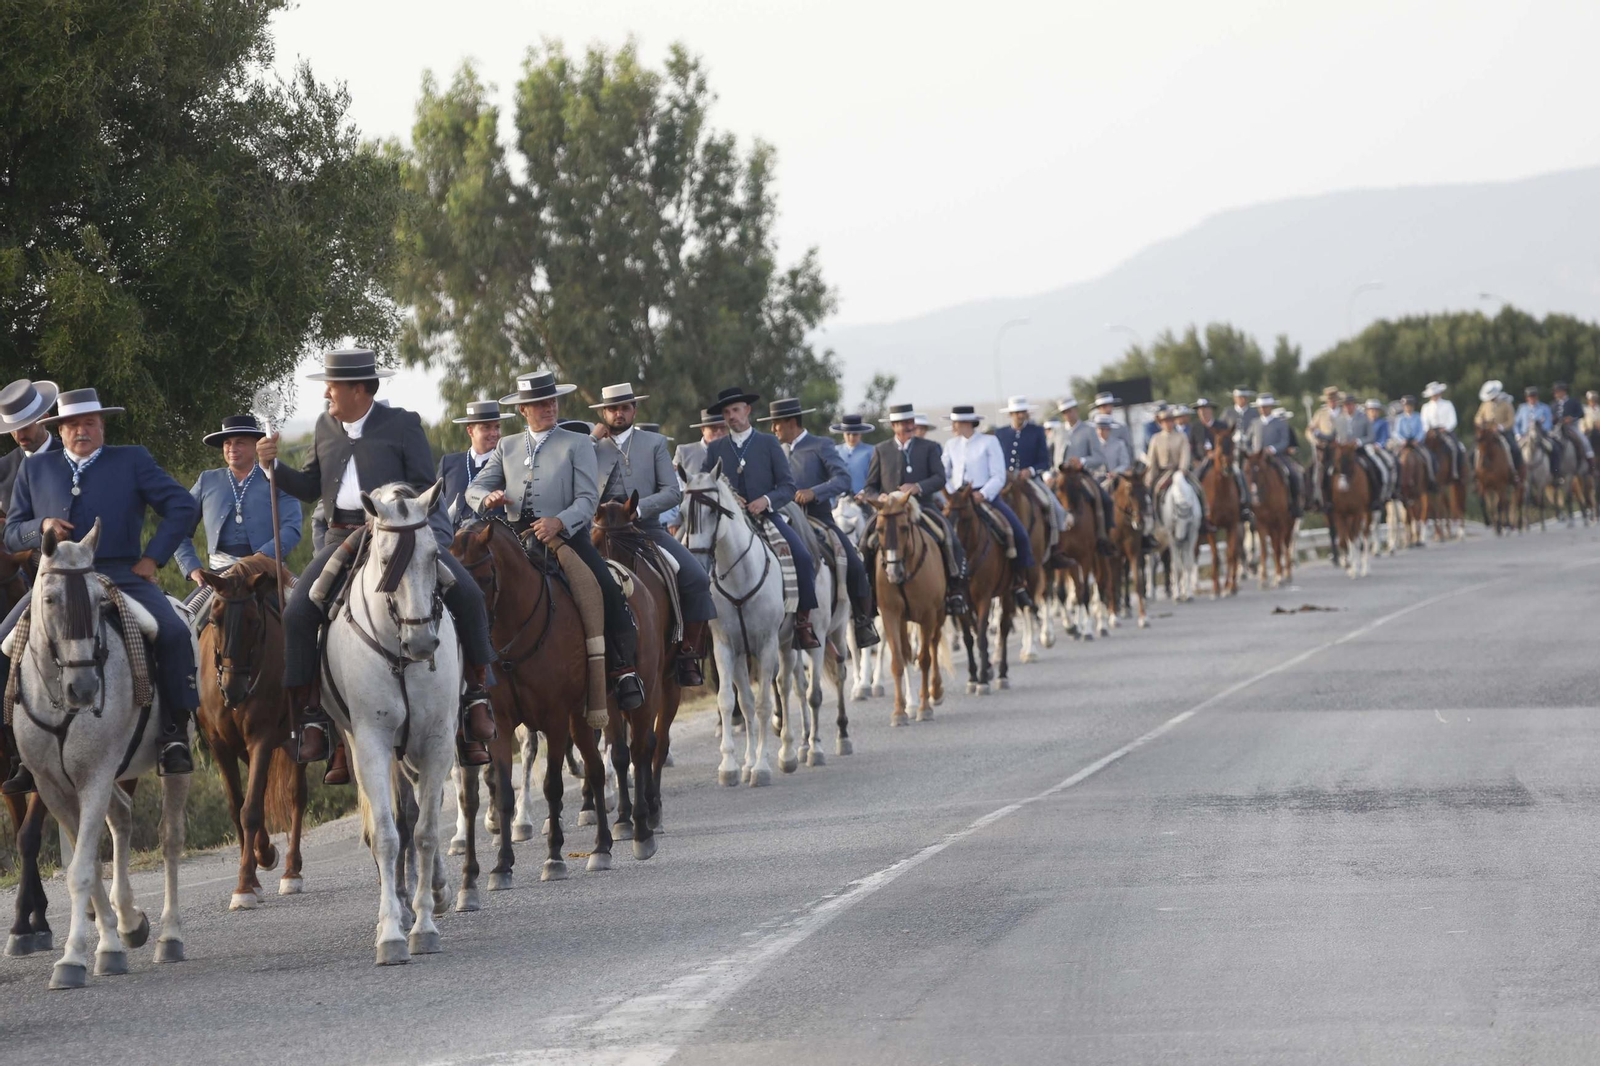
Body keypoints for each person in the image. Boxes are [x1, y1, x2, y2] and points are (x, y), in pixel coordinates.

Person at [256, 349, 499, 783]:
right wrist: (272, 467)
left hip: (401, 533)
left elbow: (427, 486)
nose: (327, 393)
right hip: (341, 536)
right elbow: (312, 485)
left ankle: (476, 699)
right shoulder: (325, 425)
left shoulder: (403, 424)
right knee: (297, 613)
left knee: (469, 595)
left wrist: (401, 517)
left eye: (333, 385)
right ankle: (315, 720)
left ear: (359, 389)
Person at [2, 389, 200, 794]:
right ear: (59, 429)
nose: (81, 431)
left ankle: (174, 734)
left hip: (119, 574)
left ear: (102, 426)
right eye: (72, 425)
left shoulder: (132, 460)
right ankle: (18, 749)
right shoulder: (35, 471)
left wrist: (152, 559)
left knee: (175, 632)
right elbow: (10, 532)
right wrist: (40, 527)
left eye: (89, 423)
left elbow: (183, 506)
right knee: (2, 643)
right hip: (53, 581)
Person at [465, 370, 648, 715]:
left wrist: (559, 521)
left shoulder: (577, 442)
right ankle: (475, 682)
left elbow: (586, 498)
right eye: (539, 403)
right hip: (516, 538)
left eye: (551, 401)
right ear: (524, 410)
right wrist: (486, 499)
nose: (548, 407)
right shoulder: (507, 446)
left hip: (568, 536)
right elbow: (474, 486)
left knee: (605, 588)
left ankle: (624, 670)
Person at [589, 382, 717, 685]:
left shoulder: (655, 443)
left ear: (634, 409)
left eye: (624, 408)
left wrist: (640, 509)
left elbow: (673, 492)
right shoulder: (589, 446)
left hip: (644, 529)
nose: (618, 413)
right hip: (599, 532)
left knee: (697, 578)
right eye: (612, 409)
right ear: (604, 412)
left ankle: (687, 653)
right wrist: (591, 440)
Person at [701, 385, 822, 650]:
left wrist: (765, 500)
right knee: (692, 556)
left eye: (735, 410)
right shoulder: (715, 448)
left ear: (747, 410)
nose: (731, 416)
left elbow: (788, 486)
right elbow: (703, 483)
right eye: (726, 412)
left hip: (765, 516)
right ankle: (698, 630)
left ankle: (803, 621)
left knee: (801, 556)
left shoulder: (768, 443)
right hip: (727, 522)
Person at [763, 398, 879, 647]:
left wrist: (814, 492)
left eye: (776, 424)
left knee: (855, 562)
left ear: (791, 422)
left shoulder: (821, 445)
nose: (773, 429)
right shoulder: (774, 449)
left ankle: (862, 621)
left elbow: (843, 479)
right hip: (781, 518)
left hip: (817, 517)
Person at [862, 402, 970, 616]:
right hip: (889, 511)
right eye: (903, 423)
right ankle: (867, 592)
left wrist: (918, 487)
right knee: (865, 540)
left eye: (910, 422)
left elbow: (940, 477)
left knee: (949, 536)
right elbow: (869, 487)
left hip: (923, 506)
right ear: (894, 426)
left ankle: (955, 589)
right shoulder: (881, 450)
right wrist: (878, 496)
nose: (909, 426)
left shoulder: (929, 447)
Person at [175, 415, 302, 583]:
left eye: (240, 442)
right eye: (227, 443)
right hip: (219, 577)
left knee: (304, 605)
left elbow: (292, 528)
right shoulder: (207, 480)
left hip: (267, 573)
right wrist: (193, 568)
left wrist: (262, 557)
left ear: (256, 445)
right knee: (186, 609)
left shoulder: (278, 479)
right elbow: (177, 528)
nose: (232, 448)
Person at [941, 404, 1035, 608]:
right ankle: (948, 585)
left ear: (966, 423)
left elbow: (999, 475)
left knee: (1016, 532)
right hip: (958, 500)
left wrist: (982, 494)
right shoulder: (951, 445)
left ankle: (1019, 582)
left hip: (985, 496)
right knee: (940, 535)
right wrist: (953, 494)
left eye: (955, 422)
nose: (953, 426)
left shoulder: (989, 442)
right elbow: (944, 474)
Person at [994, 395, 1070, 566]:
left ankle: (1056, 548)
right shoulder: (1001, 433)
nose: (1020, 415)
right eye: (1017, 412)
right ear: (1011, 414)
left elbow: (1044, 461)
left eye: (1023, 412)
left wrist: (1031, 470)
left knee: (1054, 506)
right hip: (1006, 481)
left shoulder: (1036, 431)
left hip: (1030, 480)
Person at [439, 399, 514, 526]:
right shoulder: (449, 462)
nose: (494, 433)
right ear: (470, 431)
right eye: (486, 427)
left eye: (497, 427)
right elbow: (436, 505)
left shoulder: (509, 463)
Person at [1144, 405, 1211, 533]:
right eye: (1165, 421)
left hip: (1180, 471)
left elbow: (1185, 455)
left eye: (1170, 421)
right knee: (1154, 491)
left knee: (1198, 486)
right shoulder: (1156, 439)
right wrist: (1149, 478)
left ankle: (1204, 517)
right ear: (1161, 423)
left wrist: (1182, 470)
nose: (1168, 424)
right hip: (1163, 471)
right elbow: (1152, 461)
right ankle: (1155, 521)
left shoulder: (1181, 437)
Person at [0, 379, 62, 512]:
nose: (19, 436)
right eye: (13, 430)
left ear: (44, 419)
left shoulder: (71, 459)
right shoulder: (3, 469)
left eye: (25, 427)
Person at [1242, 394, 1305, 516]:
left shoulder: (1280, 423)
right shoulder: (1255, 423)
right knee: (1244, 475)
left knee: (1292, 474)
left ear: (1270, 407)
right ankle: (1246, 506)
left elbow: (1284, 441)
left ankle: (1295, 505)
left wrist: (1272, 449)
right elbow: (1247, 441)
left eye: (1265, 407)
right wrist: (1251, 452)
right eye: (1260, 407)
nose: (1263, 409)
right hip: (1257, 459)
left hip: (1276, 457)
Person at [1473, 379, 1523, 478]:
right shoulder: (1485, 404)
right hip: (1487, 432)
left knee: (1513, 449)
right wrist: (1481, 422)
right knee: (1475, 450)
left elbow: (1511, 420)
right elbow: (1477, 417)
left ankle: (1515, 472)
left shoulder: (1506, 404)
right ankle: (1476, 473)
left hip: (1503, 432)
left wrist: (1501, 427)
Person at [1389, 395, 1436, 490]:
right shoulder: (1400, 418)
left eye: (1410, 405)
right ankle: (1394, 483)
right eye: (1406, 405)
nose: (1408, 407)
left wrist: (1417, 440)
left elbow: (1421, 431)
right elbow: (1396, 432)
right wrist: (1402, 440)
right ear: (1403, 407)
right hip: (1404, 444)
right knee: (1394, 460)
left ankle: (1431, 479)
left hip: (1416, 443)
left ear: (1413, 406)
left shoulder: (1418, 417)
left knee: (1428, 456)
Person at [1420, 381, 1464, 481]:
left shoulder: (1447, 404)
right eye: (1432, 394)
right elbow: (1424, 421)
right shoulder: (1426, 407)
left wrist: (1446, 428)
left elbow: (1453, 420)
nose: (1434, 396)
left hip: (1445, 431)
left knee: (1454, 448)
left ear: (1440, 393)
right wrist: (1428, 430)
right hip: (1431, 432)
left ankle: (1455, 471)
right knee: (1422, 450)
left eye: (1436, 394)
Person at [832, 412, 877, 495]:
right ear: (843, 434)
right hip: (838, 499)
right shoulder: (835, 451)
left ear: (860, 434)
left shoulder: (871, 451)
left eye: (855, 434)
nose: (851, 437)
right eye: (848, 434)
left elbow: (874, 478)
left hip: (862, 499)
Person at [1549, 382, 1594, 465]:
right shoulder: (1553, 404)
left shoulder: (1573, 401)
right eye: (1555, 392)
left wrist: (1572, 418)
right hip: (1557, 428)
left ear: (1563, 392)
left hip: (1572, 426)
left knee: (1584, 440)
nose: (1555, 394)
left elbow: (1581, 414)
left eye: (1557, 391)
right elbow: (1552, 418)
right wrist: (1553, 419)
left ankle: (1590, 461)